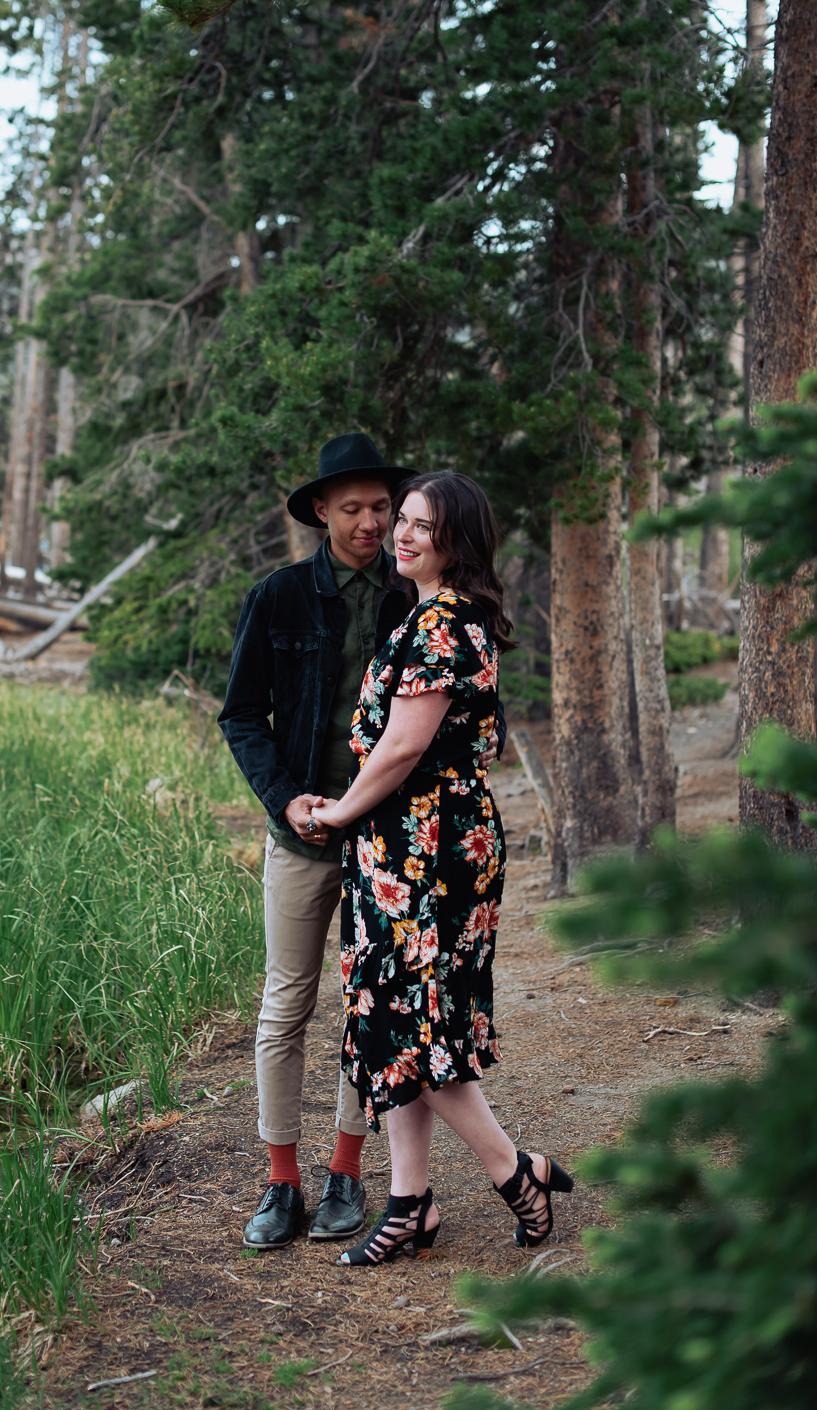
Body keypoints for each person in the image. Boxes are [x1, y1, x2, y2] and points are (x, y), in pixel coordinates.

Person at [219, 435, 505, 1250]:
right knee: (284, 1006)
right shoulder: (278, 598)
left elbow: (444, 726)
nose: (375, 523)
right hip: (303, 835)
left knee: (369, 1010)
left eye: (386, 507)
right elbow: (242, 716)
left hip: (395, 847)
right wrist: (287, 801)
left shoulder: (414, 596)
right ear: (320, 512)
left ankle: (349, 1172)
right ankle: (282, 1184)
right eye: (356, 509)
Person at [311, 471, 572, 1265]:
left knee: (414, 1026)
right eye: (404, 521)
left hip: (428, 848)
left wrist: (338, 810)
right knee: (402, 1026)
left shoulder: (444, 625)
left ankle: (510, 1169)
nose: (402, 533)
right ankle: (409, 1203)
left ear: (456, 541)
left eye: (423, 525)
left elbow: (401, 747)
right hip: (406, 844)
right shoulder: (428, 616)